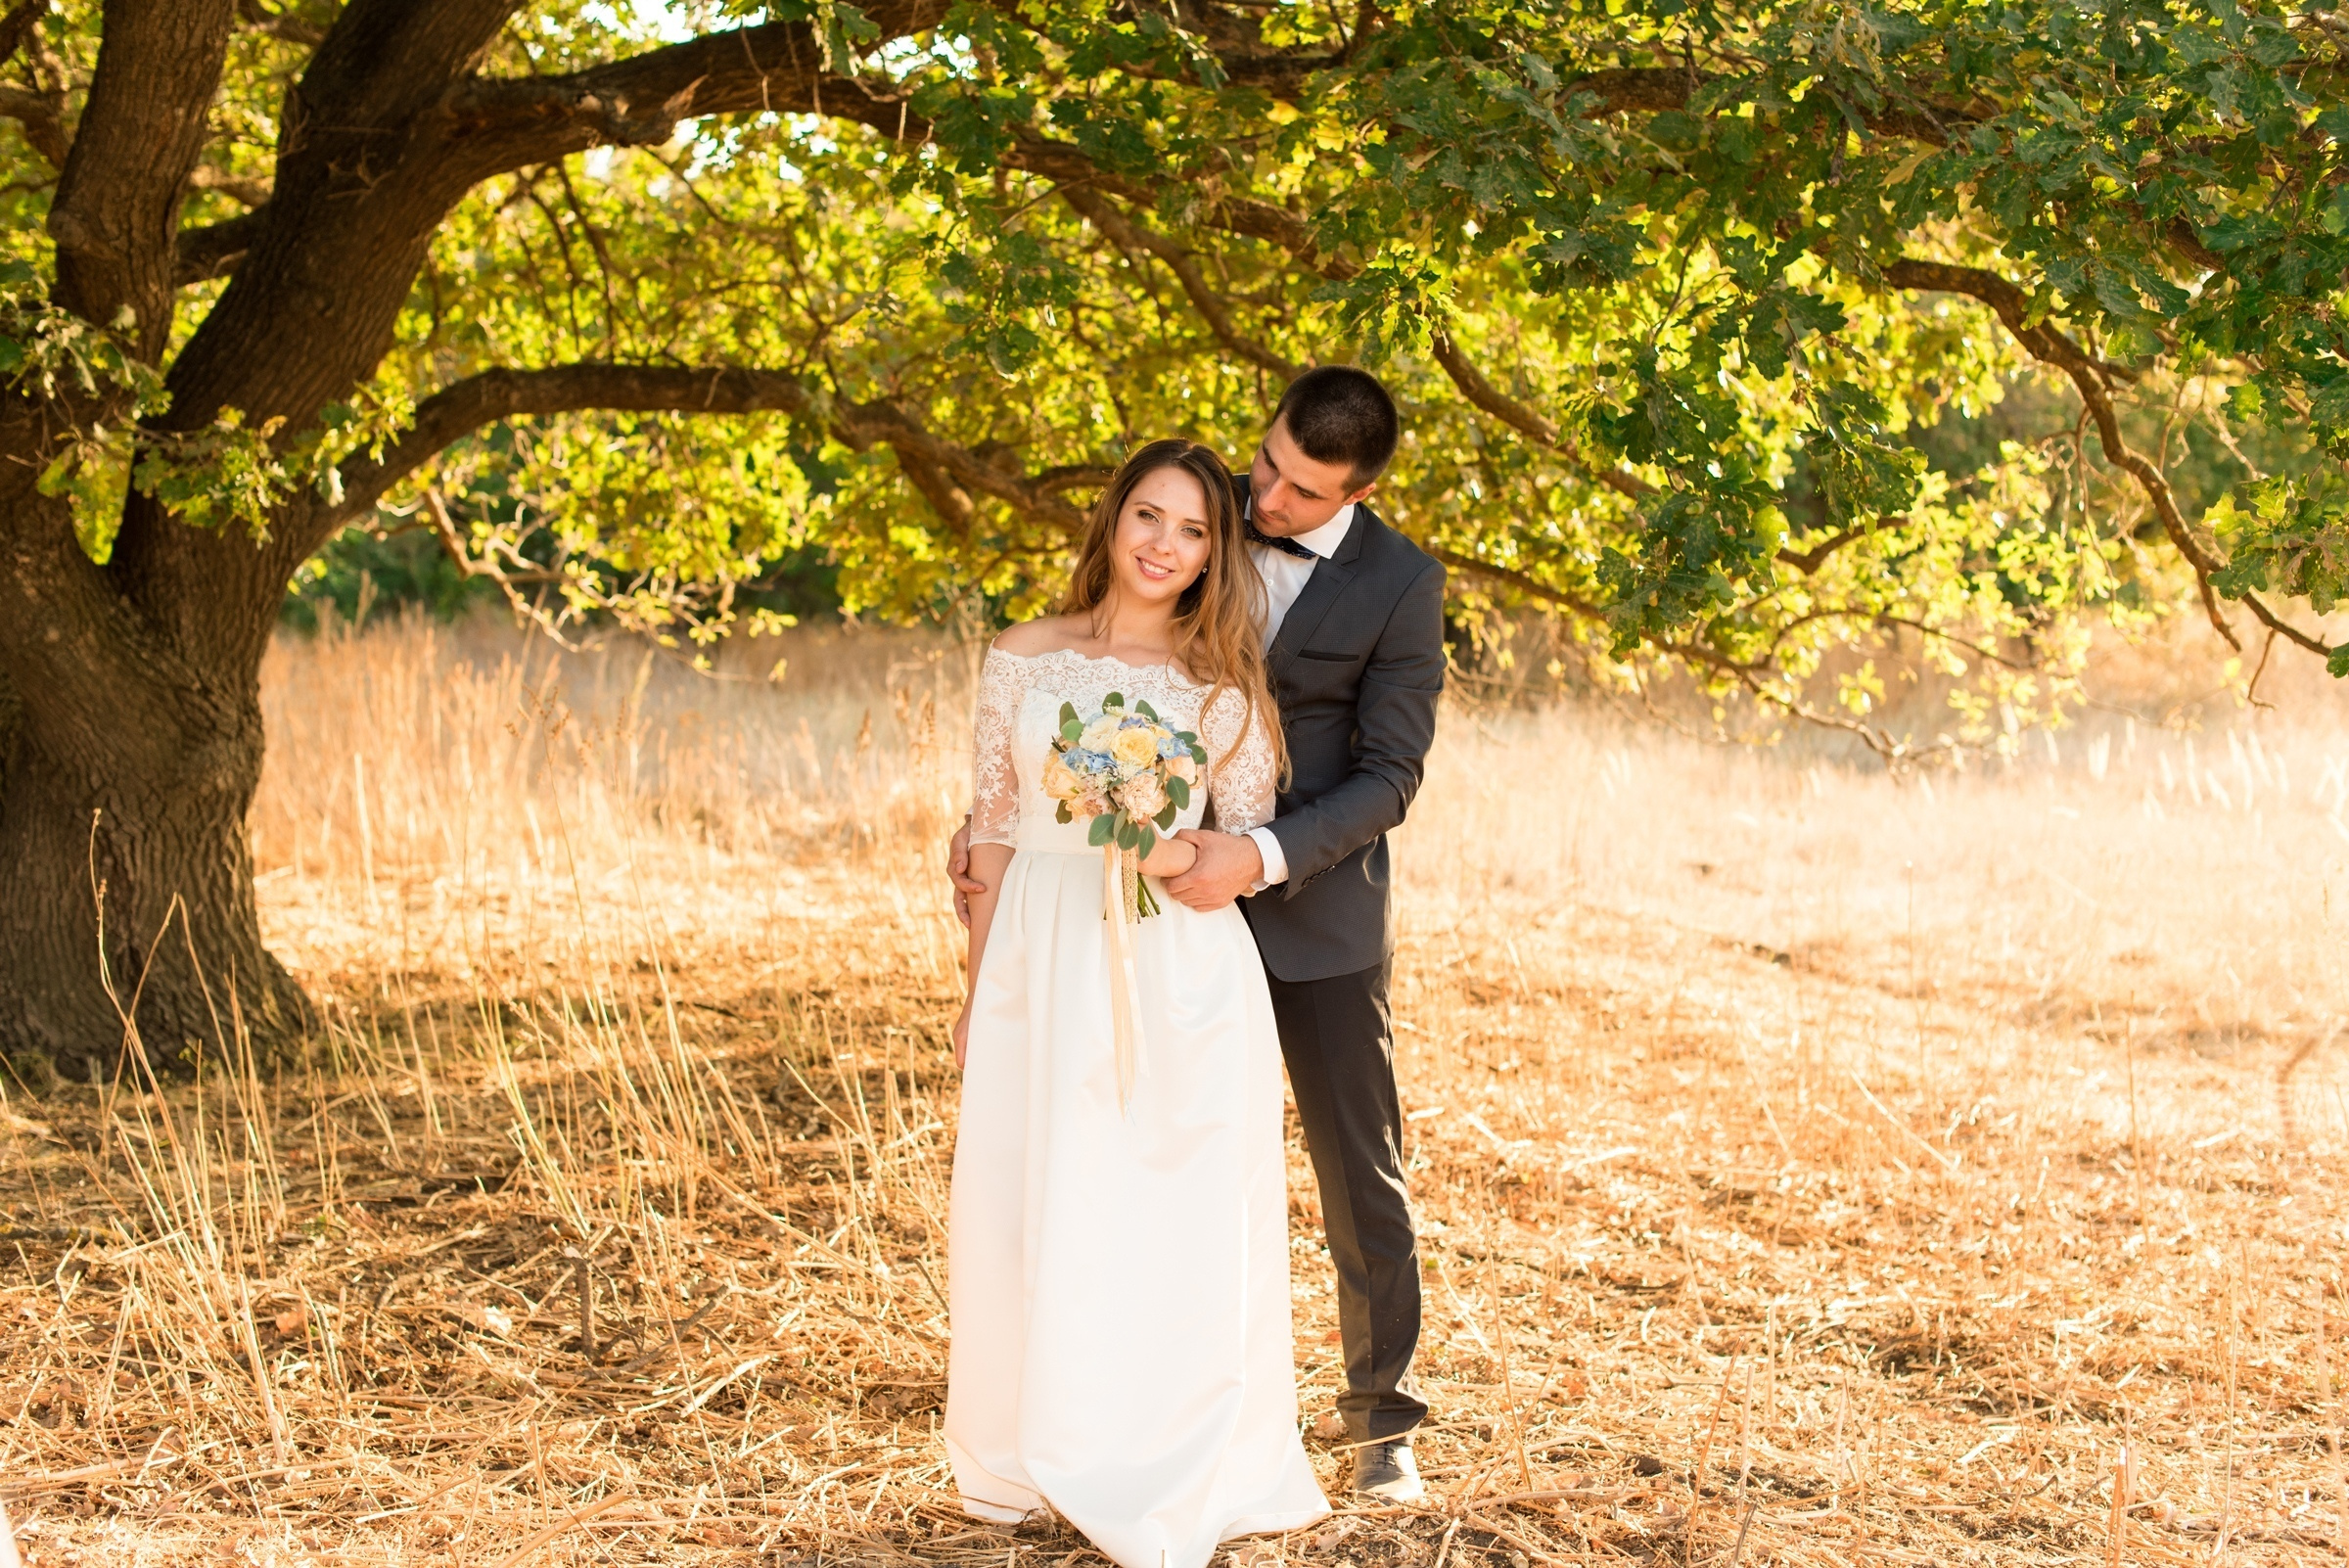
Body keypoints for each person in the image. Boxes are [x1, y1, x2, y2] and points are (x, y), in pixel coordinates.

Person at [949, 368, 1447, 1501]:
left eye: (1299, 490)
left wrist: (1251, 856)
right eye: (1264, 461)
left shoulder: (1403, 586)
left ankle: (1380, 1421)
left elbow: (1389, 776)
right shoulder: (1197, 507)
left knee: (1353, 1162)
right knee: (1112, 1162)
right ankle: (1093, 1407)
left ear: (1359, 492)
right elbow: (1057, 704)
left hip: (1302, 902)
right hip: (1108, 918)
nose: (1263, 496)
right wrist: (1013, 818)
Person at [945, 438, 1330, 1568]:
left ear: (1218, 554)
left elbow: (1240, 837)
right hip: (1040, 958)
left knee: (1171, 1205)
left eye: (1197, 530)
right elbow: (994, 833)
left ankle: (1170, 1451)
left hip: (1181, 971)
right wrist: (977, 995)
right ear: (1113, 522)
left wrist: (1169, 845)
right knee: (1037, 1193)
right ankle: (1033, 1444)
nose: (1166, 546)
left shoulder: (1222, 689)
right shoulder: (1021, 658)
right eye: (1150, 518)